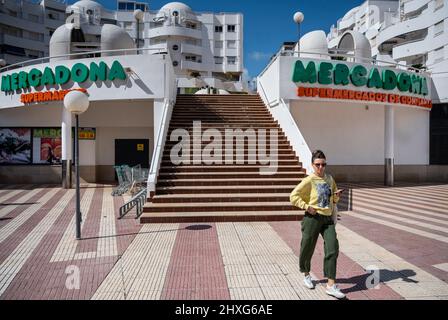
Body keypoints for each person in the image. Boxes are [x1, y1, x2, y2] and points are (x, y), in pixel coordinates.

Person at [290, 149, 345, 299]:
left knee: (333, 247)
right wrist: (307, 206)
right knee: (307, 246)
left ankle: (330, 285)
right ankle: (306, 274)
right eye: (318, 165)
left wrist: (336, 197)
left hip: (327, 219)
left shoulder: (329, 179)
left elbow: (333, 199)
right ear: (312, 165)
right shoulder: (309, 180)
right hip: (312, 219)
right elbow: (293, 196)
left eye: (323, 164)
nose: (321, 167)